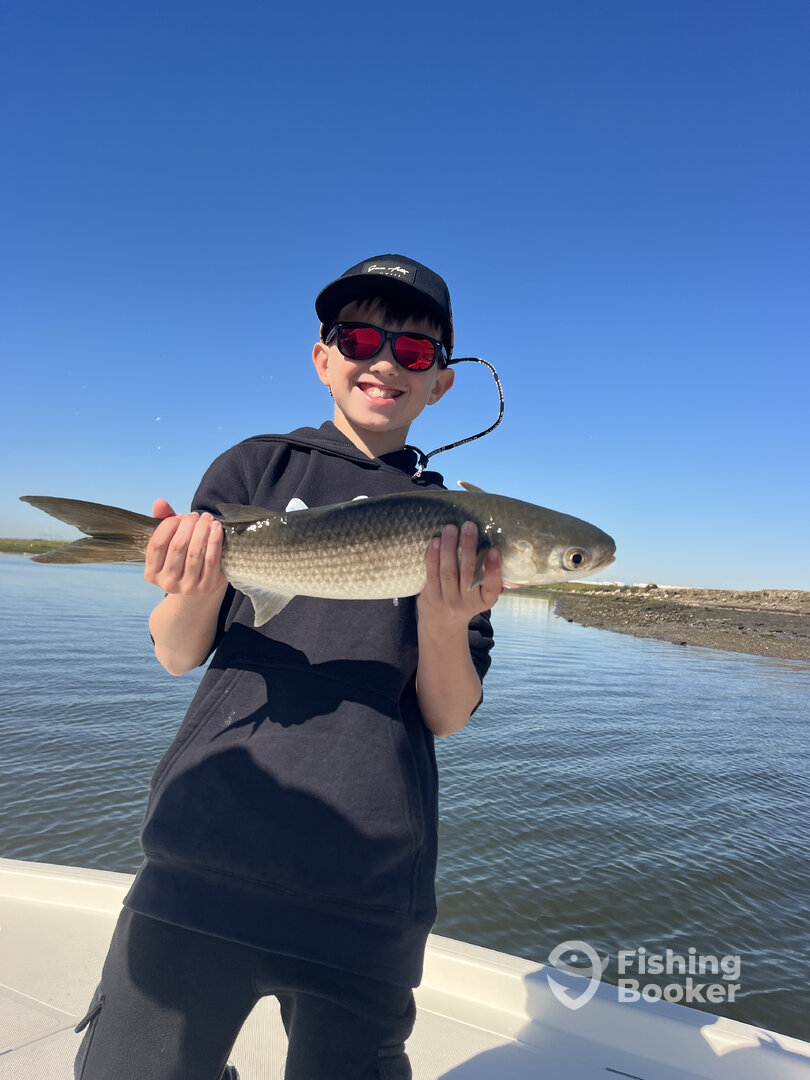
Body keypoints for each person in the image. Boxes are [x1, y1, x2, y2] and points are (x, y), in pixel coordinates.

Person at [73, 254, 503, 1080]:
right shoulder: (256, 468)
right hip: (201, 849)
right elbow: (176, 652)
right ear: (322, 358)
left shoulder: (458, 528)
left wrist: (447, 618)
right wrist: (194, 579)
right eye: (361, 339)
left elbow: (447, 714)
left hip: (368, 881)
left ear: (440, 383)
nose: (386, 361)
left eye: (415, 351)